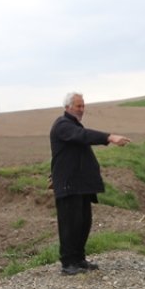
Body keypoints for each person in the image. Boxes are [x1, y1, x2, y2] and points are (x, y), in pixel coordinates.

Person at [50, 92, 130, 275]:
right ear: (68, 107)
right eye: (78, 106)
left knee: (83, 223)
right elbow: (82, 135)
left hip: (80, 185)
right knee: (69, 224)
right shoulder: (63, 125)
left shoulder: (73, 126)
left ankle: (79, 259)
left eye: (83, 106)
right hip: (69, 185)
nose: (82, 109)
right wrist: (109, 137)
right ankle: (68, 263)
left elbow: (68, 152)